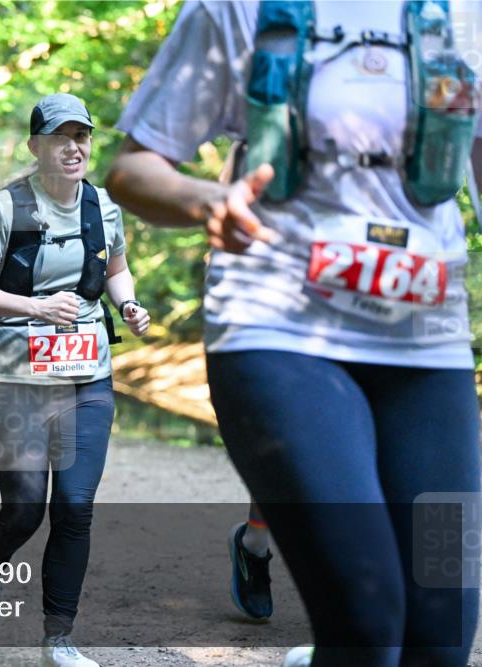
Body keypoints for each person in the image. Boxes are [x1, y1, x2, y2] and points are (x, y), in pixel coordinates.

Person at [107, 2, 480, 666]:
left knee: (444, 630)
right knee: (365, 616)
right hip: (278, 328)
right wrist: (208, 200)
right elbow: (133, 169)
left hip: (428, 339)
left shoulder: (468, 15)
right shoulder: (236, 8)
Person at [0, 93, 150, 667]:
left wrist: (129, 304)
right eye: (60, 138)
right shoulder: (6, 208)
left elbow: (116, 269)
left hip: (87, 376)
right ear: (35, 146)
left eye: (81, 136)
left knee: (74, 506)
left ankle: (58, 639)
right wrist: (36, 308)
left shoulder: (103, 206)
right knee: (24, 508)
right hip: (16, 379)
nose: (73, 147)